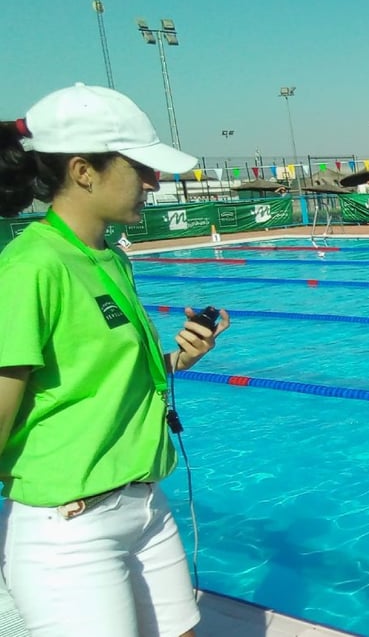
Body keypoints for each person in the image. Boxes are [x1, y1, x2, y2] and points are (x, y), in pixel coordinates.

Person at [0, 83, 233, 636]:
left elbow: (98, 372)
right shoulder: (31, 269)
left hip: (145, 506)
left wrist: (178, 359)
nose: (154, 181)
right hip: (71, 525)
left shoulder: (108, 257)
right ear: (84, 171)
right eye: (141, 167)